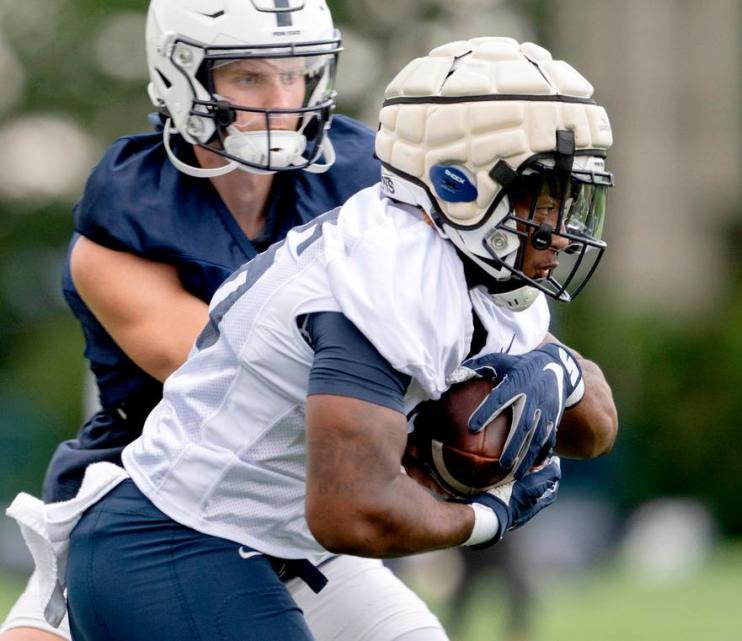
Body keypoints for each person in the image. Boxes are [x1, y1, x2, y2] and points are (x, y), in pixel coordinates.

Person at [10, 36, 617, 641]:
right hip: (178, 536)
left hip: (292, 544)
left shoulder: (474, 258)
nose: (561, 232)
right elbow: (351, 512)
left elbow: (595, 429)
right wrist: (487, 518)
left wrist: (559, 370)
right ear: (461, 184)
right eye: (543, 195)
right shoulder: (384, 275)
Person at [0, 1, 450, 640]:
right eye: (248, 78)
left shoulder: (362, 180)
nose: (280, 100)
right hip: (150, 516)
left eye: (294, 75)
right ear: (182, 78)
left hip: (294, 527)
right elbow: (229, 368)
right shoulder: (128, 213)